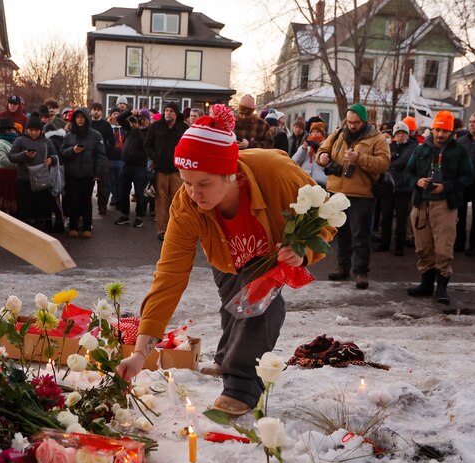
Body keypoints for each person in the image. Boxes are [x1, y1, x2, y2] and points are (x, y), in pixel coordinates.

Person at [115, 105, 335, 416]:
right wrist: (140, 353)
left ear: (229, 172)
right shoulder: (186, 204)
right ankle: (226, 358)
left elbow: (328, 214)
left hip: (274, 253)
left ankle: (241, 387)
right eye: (186, 181)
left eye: (203, 183)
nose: (193, 193)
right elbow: (169, 275)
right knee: (233, 307)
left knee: (259, 311)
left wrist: (303, 252)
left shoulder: (274, 171)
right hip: (227, 258)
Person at [316, 102, 391, 289]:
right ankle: (343, 268)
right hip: (337, 192)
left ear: (364, 121)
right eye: (349, 122)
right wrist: (322, 158)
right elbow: (322, 150)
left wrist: (359, 159)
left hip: (361, 194)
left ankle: (361, 272)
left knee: (360, 235)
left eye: (356, 123)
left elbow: (383, 163)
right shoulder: (338, 133)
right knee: (342, 234)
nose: (351, 126)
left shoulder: (376, 138)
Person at [405, 111, 473, 305]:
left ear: (451, 131)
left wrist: (447, 186)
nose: (441, 134)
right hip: (421, 204)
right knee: (423, 247)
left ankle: (441, 288)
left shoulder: (459, 151)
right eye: (438, 129)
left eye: (445, 130)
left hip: (445, 205)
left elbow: (468, 176)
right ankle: (426, 285)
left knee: (443, 247)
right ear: (432, 129)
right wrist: (417, 181)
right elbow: (407, 173)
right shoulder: (421, 149)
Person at [60, 108, 107, 238]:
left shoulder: (96, 135)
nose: (80, 119)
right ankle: (73, 226)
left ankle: (87, 227)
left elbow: (100, 155)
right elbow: (62, 153)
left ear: (86, 118)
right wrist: (72, 151)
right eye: (77, 117)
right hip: (72, 173)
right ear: (74, 119)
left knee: (86, 201)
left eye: (82, 117)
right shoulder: (69, 135)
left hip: (88, 174)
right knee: (73, 200)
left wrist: (97, 173)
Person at [144, 102, 188, 241]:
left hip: (177, 171)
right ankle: (162, 230)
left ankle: (176, 229)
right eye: (166, 110)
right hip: (160, 170)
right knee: (161, 201)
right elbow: (147, 145)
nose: (168, 113)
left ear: (176, 113)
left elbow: (189, 146)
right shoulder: (156, 126)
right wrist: (155, 156)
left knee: (177, 201)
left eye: (171, 111)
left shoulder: (184, 128)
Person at [8, 114, 58, 231]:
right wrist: (24, 155)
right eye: (31, 130)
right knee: (26, 208)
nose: (34, 133)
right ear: (27, 129)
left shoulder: (47, 141)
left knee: (41, 207)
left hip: (42, 179)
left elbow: (55, 155)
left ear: (40, 130)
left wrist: (52, 159)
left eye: (36, 130)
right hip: (24, 180)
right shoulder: (20, 140)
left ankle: (40, 232)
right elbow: (11, 156)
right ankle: (26, 232)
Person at [375, 121, 418, 256]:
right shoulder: (389, 146)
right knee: (386, 217)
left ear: (407, 134)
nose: (400, 136)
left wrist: (391, 161)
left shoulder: (412, 146)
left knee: (401, 219)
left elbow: (403, 162)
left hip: (404, 188)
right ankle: (384, 243)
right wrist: (391, 160)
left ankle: (399, 245)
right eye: (398, 133)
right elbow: (382, 160)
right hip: (388, 187)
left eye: (403, 133)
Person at [114, 108, 150, 228]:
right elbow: (119, 118)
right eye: (140, 118)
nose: (141, 121)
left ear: (149, 120)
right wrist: (130, 112)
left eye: (144, 119)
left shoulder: (149, 132)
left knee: (140, 193)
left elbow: (145, 145)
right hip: (126, 165)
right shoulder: (130, 129)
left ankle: (139, 216)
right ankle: (124, 215)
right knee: (123, 191)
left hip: (140, 167)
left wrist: (137, 130)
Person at [455, 112, 475, 256]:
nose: (471, 124)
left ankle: (474, 245)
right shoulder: (461, 141)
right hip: (463, 183)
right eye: (470, 121)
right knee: (459, 214)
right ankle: (459, 243)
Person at [89, 103, 116, 214]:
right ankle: (86, 207)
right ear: (91, 111)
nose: (96, 112)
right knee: (88, 184)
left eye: (98, 110)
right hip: (89, 158)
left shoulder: (106, 125)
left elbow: (112, 141)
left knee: (103, 184)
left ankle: (102, 207)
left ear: (101, 111)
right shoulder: (88, 124)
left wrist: (106, 152)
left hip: (102, 158)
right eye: (94, 109)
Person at [0, 118, 19, 215]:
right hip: (5, 176)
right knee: (5, 200)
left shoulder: (13, 142)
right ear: (6, 131)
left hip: (13, 176)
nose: (14, 132)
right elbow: (3, 161)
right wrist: (18, 165)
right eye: (12, 130)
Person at [291, 120, 327, 188]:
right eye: (313, 132)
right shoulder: (305, 146)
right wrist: (303, 150)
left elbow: (329, 165)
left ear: (322, 134)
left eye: (318, 132)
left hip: (319, 182)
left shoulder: (326, 147)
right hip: (304, 180)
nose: (315, 134)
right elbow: (294, 162)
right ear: (310, 134)